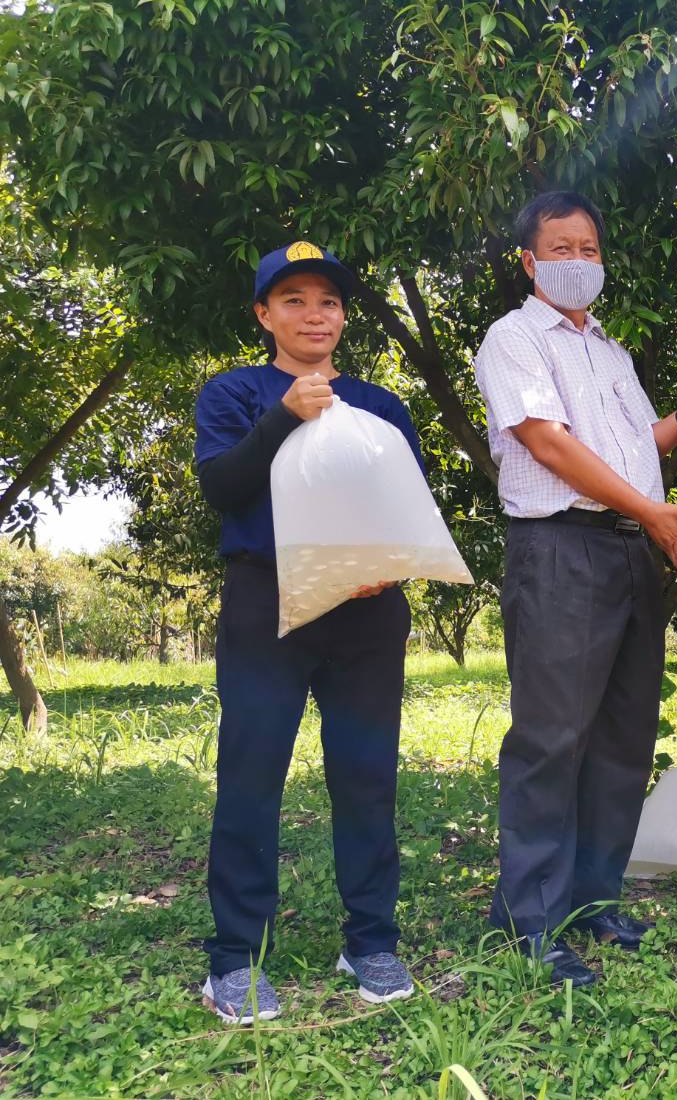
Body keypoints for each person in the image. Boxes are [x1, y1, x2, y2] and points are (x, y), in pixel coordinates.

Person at [473, 191, 677, 988]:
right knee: (552, 739)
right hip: (559, 551)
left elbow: (631, 453)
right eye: (561, 248)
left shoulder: (611, 354)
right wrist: (653, 515)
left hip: (627, 552)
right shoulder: (513, 339)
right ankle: (527, 921)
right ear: (529, 261)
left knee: (622, 738)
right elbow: (550, 447)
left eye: (589, 248)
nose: (578, 261)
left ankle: (592, 900)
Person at [194, 242, 422, 1024]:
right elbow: (223, 488)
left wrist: (389, 567)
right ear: (264, 315)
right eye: (292, 299)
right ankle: (235, 957)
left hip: (366, 608)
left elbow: (408, 501)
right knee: (251, 776)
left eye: (326, 299)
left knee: (365, 776)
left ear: (344, 316)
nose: (313, 313)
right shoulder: (234, 393)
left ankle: (371, 940)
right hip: (268, 604)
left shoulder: (379, 404)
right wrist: (279, 419)